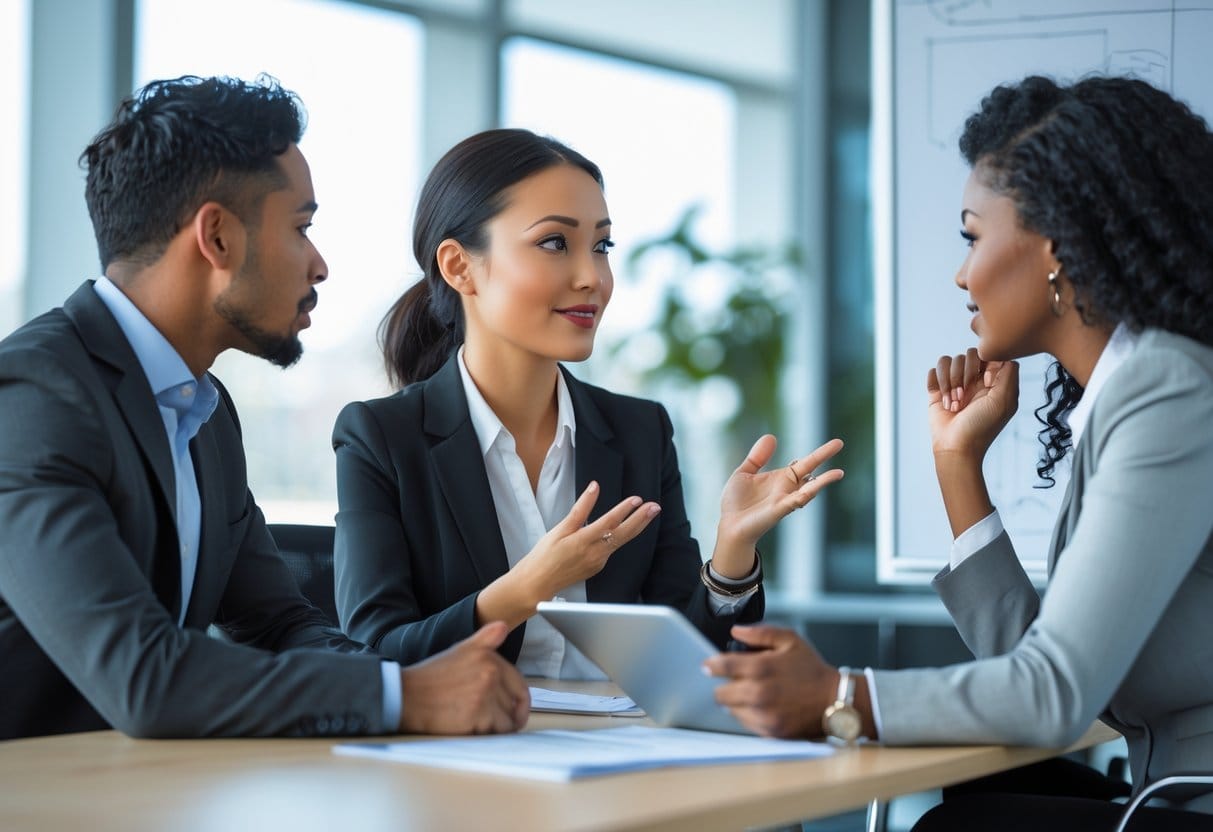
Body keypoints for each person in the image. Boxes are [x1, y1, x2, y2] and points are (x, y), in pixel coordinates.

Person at [704, 75, 1213, 830]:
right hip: (1160, 795)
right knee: (974, 807)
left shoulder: (1168, 389)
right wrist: (956, 465)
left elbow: (1051, 696)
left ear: (1057, 246)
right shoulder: (1135, 387)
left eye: (972, 236)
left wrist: (841, 696)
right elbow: (1050, 676)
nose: (959, 272)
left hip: (1180, 804)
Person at [0, 75, 529, 740]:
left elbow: (278, 623)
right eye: (302, 227)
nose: (320, 265)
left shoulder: (204, 410)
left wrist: (413, 683)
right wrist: (401, 695)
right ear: (217, 238)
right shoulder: (34, 394)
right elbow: (142, 678)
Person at [332, 128, 844, 676]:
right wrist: (526, 588)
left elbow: (690, 659)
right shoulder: (381, 438)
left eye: (601, 246)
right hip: (465, 752)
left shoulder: (639, 431)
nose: (592, 277)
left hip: (622, 752)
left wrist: (732, 553)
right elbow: (375, 653)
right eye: (555, 243)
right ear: (459, 266)